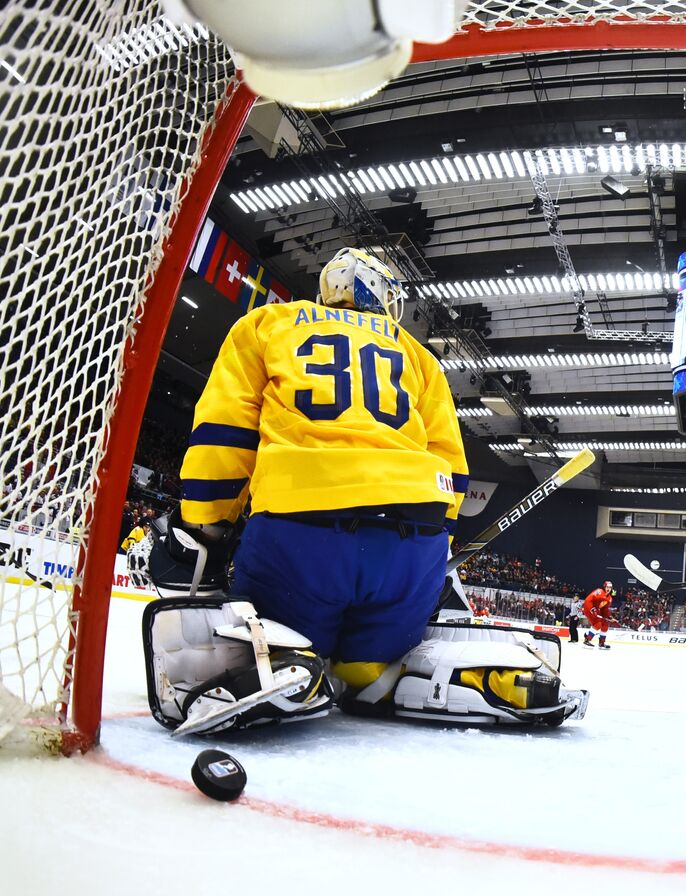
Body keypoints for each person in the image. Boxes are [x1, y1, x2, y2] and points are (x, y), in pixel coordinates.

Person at [154, 247, 472, 734]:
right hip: (412, 541)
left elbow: (225, 431)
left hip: (301, 534)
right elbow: (451, 464)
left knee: (286, 652)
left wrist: (205, 523)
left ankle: (294, 663)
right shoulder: (420, 356)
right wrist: (439, 541)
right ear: (385, 295)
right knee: (366, 671)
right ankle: (372, 673)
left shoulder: (266, 324)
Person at [582, 580, 614, 649]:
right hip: (588, 609)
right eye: (607, 587)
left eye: (610, 587)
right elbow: (588, 600)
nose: (609, 589)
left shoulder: (609, 598)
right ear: (604, 587)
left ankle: (602, 643)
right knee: (597, 624)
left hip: (595, 610)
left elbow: (604, 609)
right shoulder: (599, 591)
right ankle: (587, 640)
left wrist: (609, 616)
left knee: (605, 625)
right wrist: (592, 608)